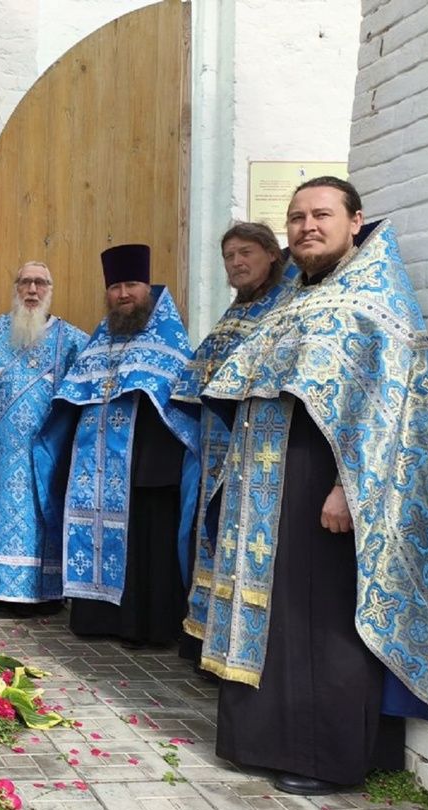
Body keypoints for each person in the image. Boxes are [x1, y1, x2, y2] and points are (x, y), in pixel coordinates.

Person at [202, 177, 428, 795]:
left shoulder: (372, 299)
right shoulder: (299, 297)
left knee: (323, 621)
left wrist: (346, 487)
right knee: (283, 614)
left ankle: (323, 757)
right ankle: (260, 739)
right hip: (270, 479)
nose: (307, 226)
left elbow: (384, 408)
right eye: (296, 217)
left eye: (321, 215)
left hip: (326, 481)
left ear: (356, 222)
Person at [37, 244, 199, 649]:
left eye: (132, 285)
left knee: (151, 545)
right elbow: (75, 392)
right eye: (115, 287)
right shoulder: (100, 341)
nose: (123, 294)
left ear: (148, 288)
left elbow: (181, 400)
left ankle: (152, 627)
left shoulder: (170, 339)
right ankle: (100, 619)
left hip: (152, 467)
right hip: (102, 468)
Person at [173, 223, 292, 668]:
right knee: (211, 535)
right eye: (229, 256)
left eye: (246, 253)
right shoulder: (236, 311)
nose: (237, 263)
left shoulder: (283, 307)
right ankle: (207, 635)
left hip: (256, 448)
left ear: (271, 256)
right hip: (217, 447)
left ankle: (241, 645)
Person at [0, 262, 87, 608]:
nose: (33, 290)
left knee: (42, 519)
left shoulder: (72, 341)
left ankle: (46, 594)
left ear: (50, 289)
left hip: (49, 455)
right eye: (26, 282)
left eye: (40, 283)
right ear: (16, 287)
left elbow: (85, 394)